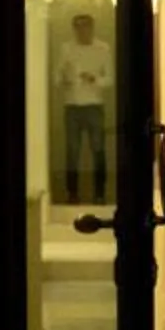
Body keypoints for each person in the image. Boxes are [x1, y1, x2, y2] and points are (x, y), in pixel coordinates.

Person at [57, 11, 113, 205]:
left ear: (92, 27)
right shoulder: (66, 49)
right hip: (72, 105)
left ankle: (100, 194)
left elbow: (110, 79)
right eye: (78, 27)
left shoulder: (103, 48)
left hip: (94, 106)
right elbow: (56, 76)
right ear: (74, 29)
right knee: (72, 151)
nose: (82, 31)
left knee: (98, 149)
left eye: (85, 26)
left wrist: (94, 79)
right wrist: (63, 78)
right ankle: (72, 194)